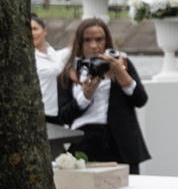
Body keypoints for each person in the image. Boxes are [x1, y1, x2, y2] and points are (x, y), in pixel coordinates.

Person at [51, 18, 147, 167]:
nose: (94, 46)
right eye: (87, 41)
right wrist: (85, 96)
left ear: (107, 41)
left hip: (122, 141)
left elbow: (140, 99)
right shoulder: (70, 73)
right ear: (79, 43)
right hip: (86, 140)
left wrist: (120, 73)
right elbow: (63, 116)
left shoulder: (123, 63)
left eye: (99, 40)